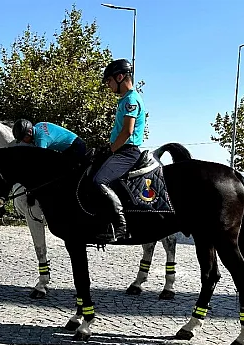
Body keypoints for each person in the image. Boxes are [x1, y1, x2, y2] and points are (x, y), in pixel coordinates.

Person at [95, 58, 146, 242]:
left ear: (120, 77)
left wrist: (111, 150)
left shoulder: (130, 100)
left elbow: (127, 131)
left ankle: (120, 226)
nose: (108, 85)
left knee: (99, 181)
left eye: (109, 81)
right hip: (121, 150)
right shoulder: (125, 100)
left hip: (127, 152)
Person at [12, 120, 87, 161]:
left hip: (76, 148)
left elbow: (40, 160)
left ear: (30, 132)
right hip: (74, 144)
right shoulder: (39, 124)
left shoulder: (41, 140)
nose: (23, 141)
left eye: (23, 138)